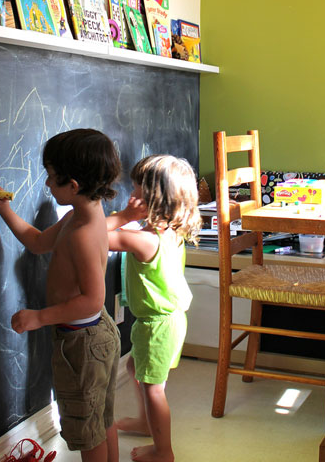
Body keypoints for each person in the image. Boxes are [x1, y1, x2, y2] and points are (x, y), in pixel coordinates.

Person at [0, 128, 122, 462]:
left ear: (72, 185)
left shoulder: (82, 234)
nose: (46, 185)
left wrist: (39, 317)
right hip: (92, 334)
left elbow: (92, 298)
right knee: (101, 421)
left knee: (88, 433)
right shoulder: (79, 217)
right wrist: (4, 211)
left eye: (51, 178)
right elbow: (36, 242)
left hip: (83, 342)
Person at [106, 155, 201, 462]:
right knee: (136, 368)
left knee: (153, 389)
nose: (129, 195)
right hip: (168, 320)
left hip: (157, 325)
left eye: (134, 190)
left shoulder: (145, 240)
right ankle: (146, 423)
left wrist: (120, 216)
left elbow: (100, 238)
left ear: (151, 199)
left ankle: (164, 451)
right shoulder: (171, 231)